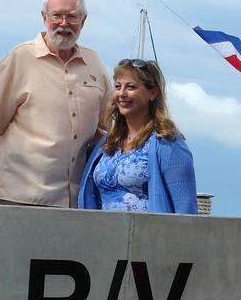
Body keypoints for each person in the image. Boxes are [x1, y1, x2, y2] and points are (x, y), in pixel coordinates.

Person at [0, 0, 111, 207]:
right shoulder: (20, 58)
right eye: (56, 15)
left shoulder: (94, 64)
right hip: (20, 199)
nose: (63, 23)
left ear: (83, 20)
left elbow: (114, 126)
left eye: (71, 17)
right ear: (44, 18)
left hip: (77, 202)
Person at [78, 59, 197, 214]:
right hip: (104, 234)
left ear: (153, 93)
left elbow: (185, 206)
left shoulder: (168, 143)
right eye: (118, 87)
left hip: (147, 235)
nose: (122, 94)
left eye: (131, 87)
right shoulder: (106, 144)